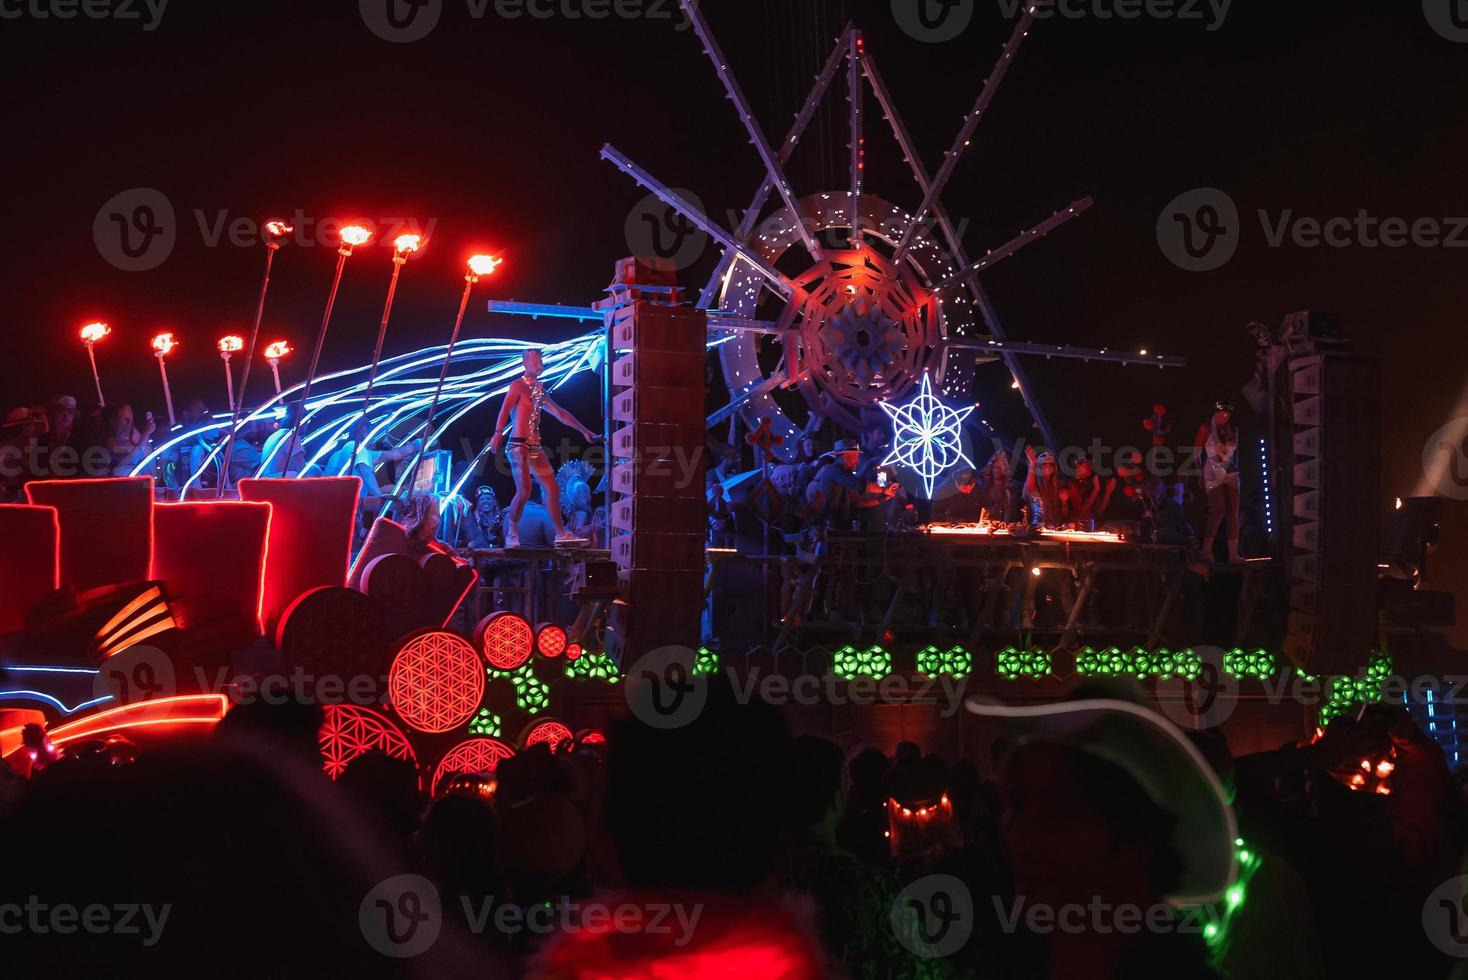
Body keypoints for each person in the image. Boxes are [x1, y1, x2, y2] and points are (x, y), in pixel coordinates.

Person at [488, 350, 601, 548]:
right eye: (535, 362)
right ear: (525, 363)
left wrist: (584, 431)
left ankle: (560, 533)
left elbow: (560, 413)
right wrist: (498, 432)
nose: (539, 365)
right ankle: (512, 532)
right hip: (517, 445)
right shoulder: (517, 386)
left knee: (552, 488)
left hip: (534, 446)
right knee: (524, 490)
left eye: (540, 361)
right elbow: (504, 409)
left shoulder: (540, 389)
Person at [1195, 401, 1242, 563]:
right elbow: (1196, 451)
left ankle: (1233, 554)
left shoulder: (1233, 429)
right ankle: (1206, 551)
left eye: (1228, 414)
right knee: (1219, 509)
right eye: (1222, 413)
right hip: (1212, 470)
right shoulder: (1206, 427)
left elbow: (1234, 452)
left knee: (1233, 512)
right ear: (1215, 413)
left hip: (1230, 471)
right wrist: (1199, 473)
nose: (1225, 416)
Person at [1024, 446, 1065, 529]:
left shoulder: (1059, 485)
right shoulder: (1034, 483)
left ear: (1054, 467)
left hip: (1056, 528)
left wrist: (1064, 502)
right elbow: (1029, 488)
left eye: (1050, 464)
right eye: (1044, 464)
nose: (1047, 466)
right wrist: (1032, 463)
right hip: (1037, 528)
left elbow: (1064, 514)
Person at [464, 486, 503, 551]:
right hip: (481, 554)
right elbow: (471, 543)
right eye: (481, 499)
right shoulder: (473, 522)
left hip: (499, 554)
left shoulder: (502, 519)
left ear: (494, 502)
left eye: (488, 499)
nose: (485, 501)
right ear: (478, 503)